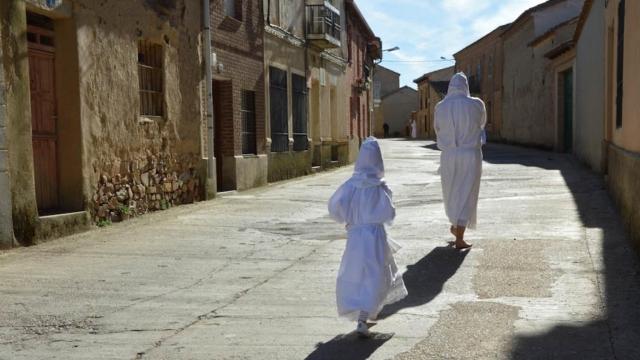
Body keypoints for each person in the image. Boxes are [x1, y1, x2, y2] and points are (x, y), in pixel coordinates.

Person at [328, 138, 407, 337]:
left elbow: (335, 206)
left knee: (357, 272)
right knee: (376, 272)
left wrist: (349, 219)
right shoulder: (380, 187)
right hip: (375, 236)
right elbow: (389, 213)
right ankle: (366, 313)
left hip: (355, 236)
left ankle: (363, 314)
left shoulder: (350, 185)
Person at [434, 73, 486, 250]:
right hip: (470, 154)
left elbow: (437, 129)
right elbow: (482, 124)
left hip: (448, 155)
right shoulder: (477, 104)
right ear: (466, 86)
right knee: (467, 192)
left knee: (451, 192)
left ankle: (456, 226)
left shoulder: (440, 107)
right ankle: (459, 237)